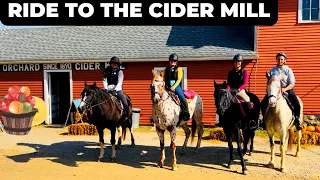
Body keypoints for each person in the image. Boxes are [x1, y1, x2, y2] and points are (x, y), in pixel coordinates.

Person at [261, 52, 302, 130]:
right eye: (278, 59)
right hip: (275, 91)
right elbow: (270, 82)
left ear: (285, 60)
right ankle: (264, 121)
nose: (280, 60)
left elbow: (292, 83)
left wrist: (284, 89)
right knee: (263, 103)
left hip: (287, 89)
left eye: (281, 59)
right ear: (276, 60)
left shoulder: (288, 70)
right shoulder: (273, 70)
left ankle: (297, 120)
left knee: (296, 102)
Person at [162, 53, 190, 121]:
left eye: (174, 61)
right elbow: (163, 79)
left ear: (176, 62)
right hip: (167, 87)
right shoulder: (165, 70)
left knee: (182, 96)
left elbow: (179, 79)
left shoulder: (179, 69)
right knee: (158, 97)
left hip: (176, 86)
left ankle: (186, 112)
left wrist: (174, 87)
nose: (173, 62)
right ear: (169, 61)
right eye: (171, 61)